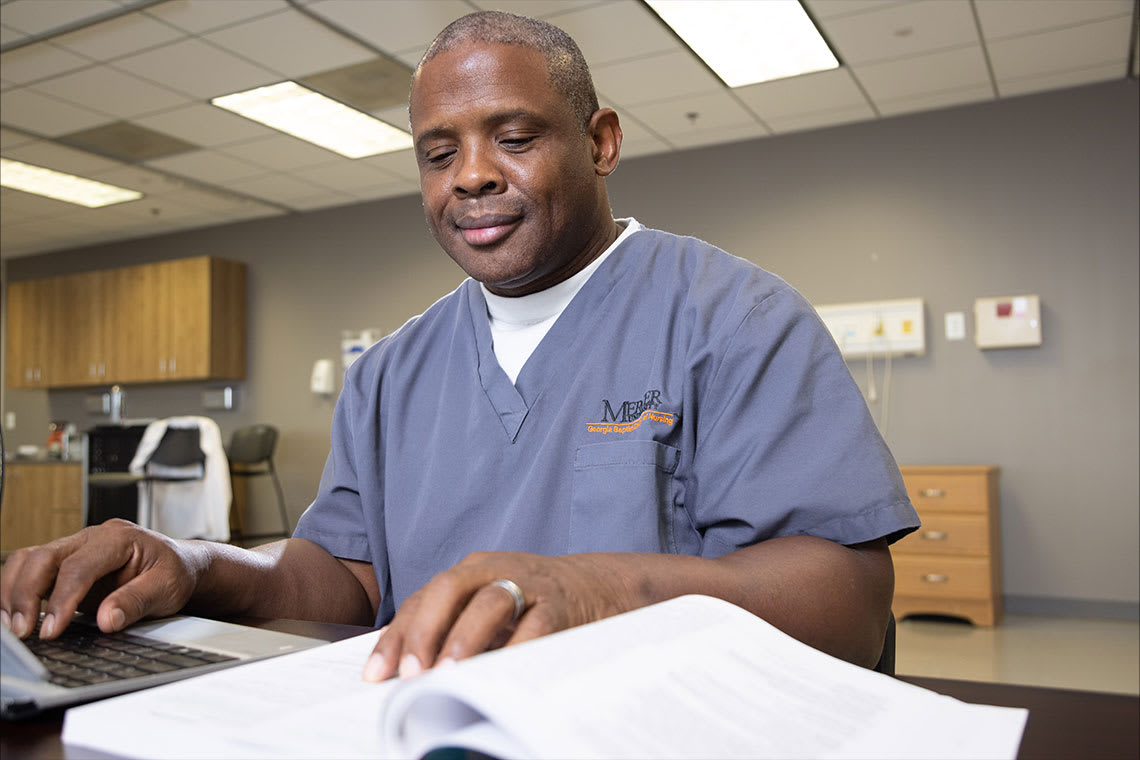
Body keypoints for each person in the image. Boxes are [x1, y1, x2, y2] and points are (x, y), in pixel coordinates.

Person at [0, 12, 919, 681]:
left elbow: (845, 602)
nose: (472, 174)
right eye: (438, 155)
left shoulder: (734, 319)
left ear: (599, 142)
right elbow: (345, 579)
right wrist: (197, 565)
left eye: (513, 138)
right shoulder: (394, 372)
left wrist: (600, 590)